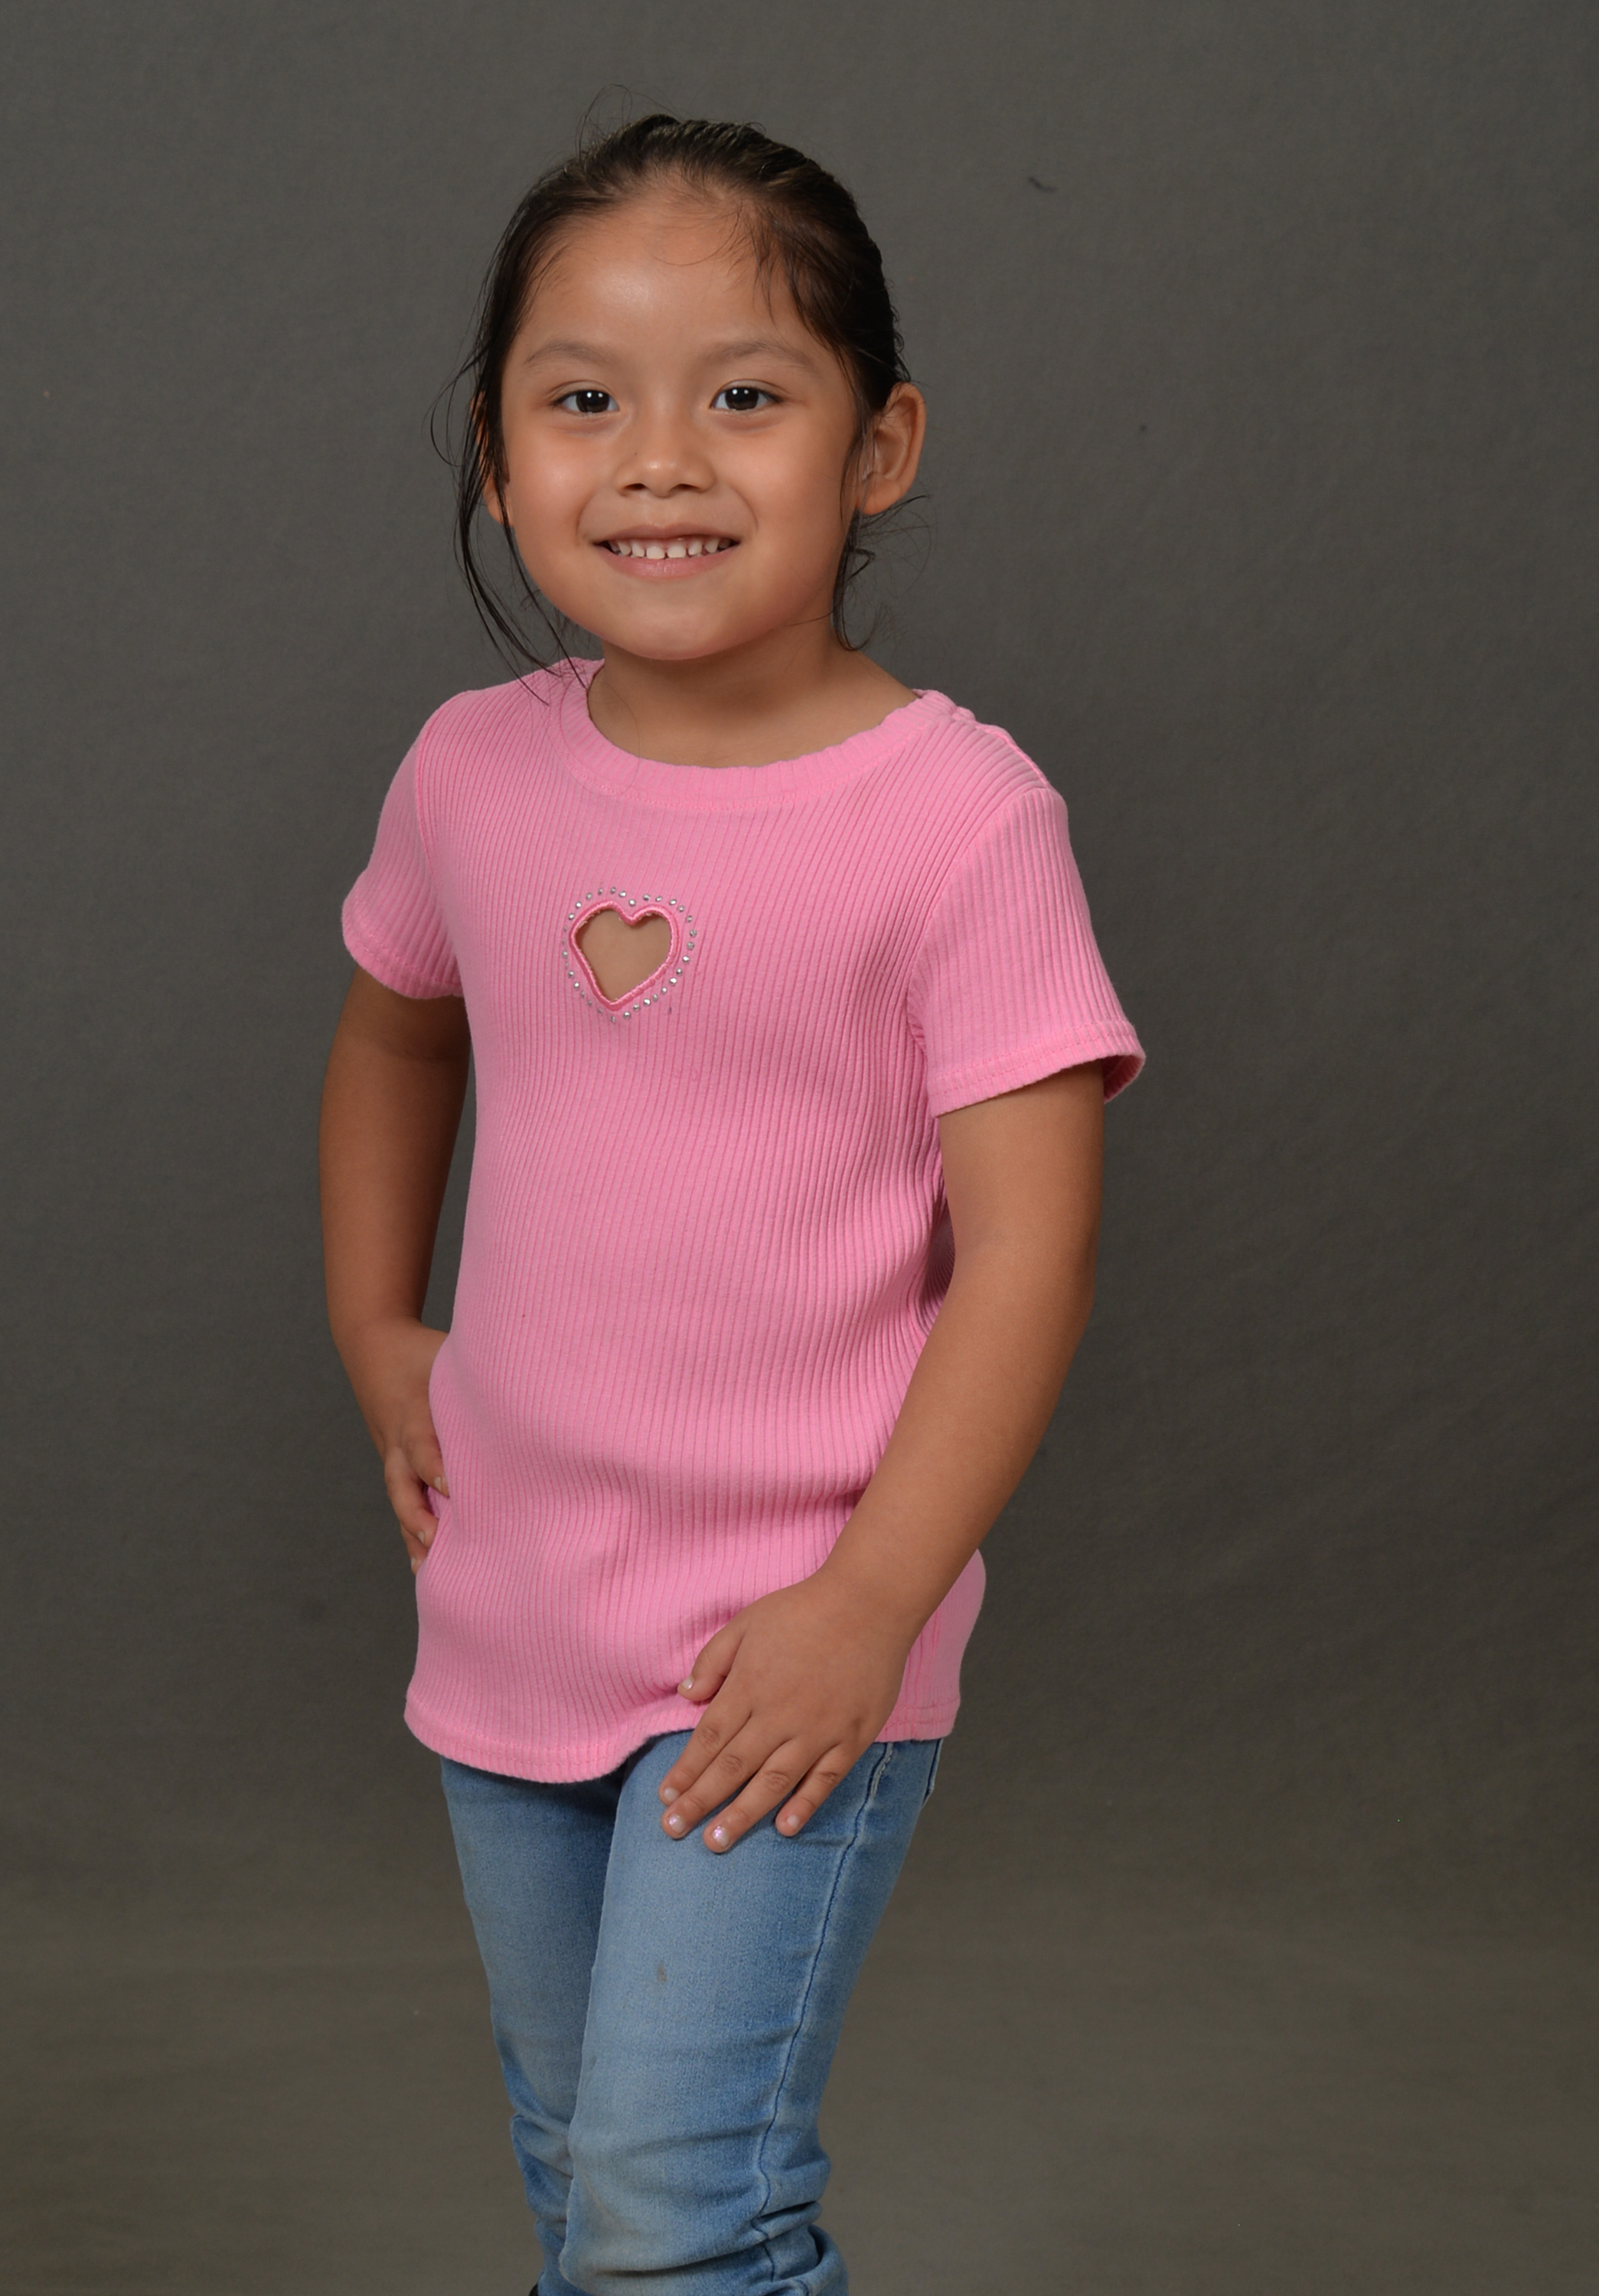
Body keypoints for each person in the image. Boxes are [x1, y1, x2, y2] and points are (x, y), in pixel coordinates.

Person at [318, 113, 1143, 2296]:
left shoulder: (957, 819)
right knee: (577, 2168)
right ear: (494, 455)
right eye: (584, 399)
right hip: (513, 1591)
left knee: (677, 2210)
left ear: (881, 449)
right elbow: (397, 1034)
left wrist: (873, 1599)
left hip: (791, 1625)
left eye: (746, 395)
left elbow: (1032, 1254)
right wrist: (379, 1329)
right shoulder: (472, 772)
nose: (660, 462)